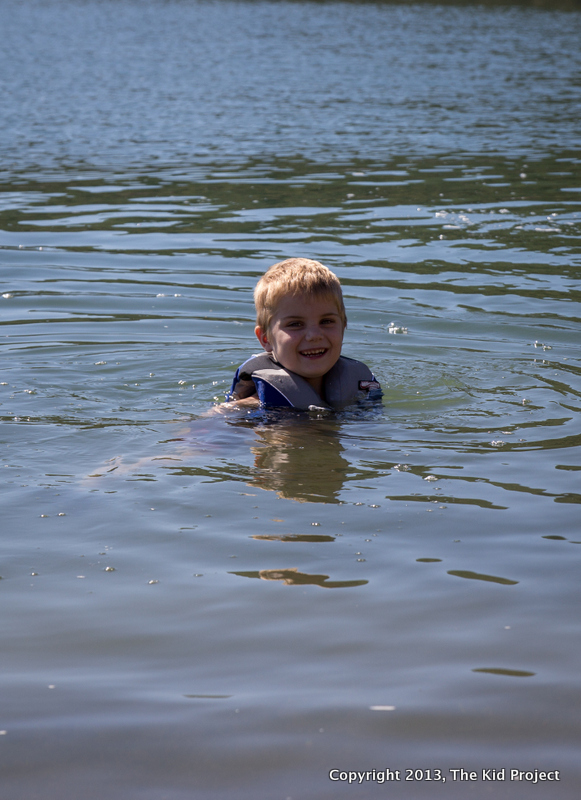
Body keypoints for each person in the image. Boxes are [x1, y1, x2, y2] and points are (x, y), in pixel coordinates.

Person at [225, 258, 382, 411]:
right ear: (265, 339)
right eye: (295, 324)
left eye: (326, 321)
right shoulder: (253, 403)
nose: (314, 335)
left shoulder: (357, 384)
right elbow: (214, 423)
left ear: (344, 326)